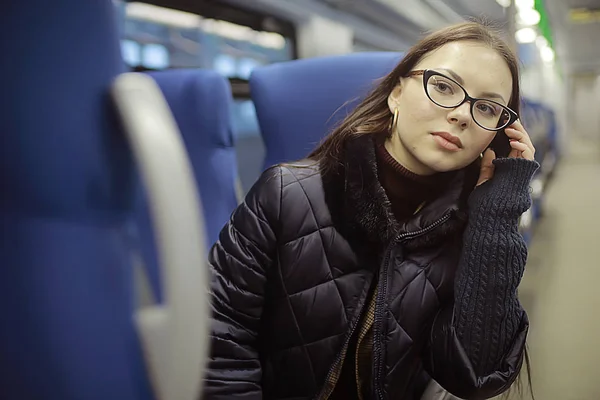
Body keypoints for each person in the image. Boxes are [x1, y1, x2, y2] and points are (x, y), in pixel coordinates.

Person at [204, 21, 538, 400]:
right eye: (444, 86)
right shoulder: (283, 195)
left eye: (488, 108)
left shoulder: (470, 233)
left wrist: (496, 217)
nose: (462, 114)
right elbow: (220, 344)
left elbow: (477, 376)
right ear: (396, 93)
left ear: (494, 134)